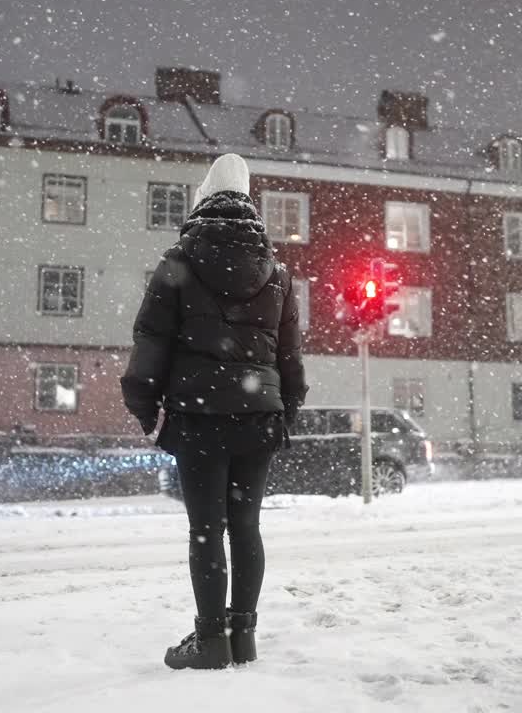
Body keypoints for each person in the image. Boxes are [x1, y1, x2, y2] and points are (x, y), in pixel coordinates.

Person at [121, 153, 307, 670]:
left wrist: (142, 402)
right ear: (250, 204)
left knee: (206, 528)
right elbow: (288, 353)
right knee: (246, 527)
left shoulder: (178, 263)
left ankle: (210, 641)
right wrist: (286, 408)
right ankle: (242, 636)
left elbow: (151, 341)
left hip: (198, 417)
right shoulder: (278, 274)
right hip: (257, 418)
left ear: (202, 200)